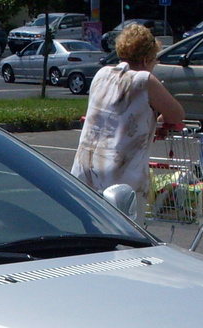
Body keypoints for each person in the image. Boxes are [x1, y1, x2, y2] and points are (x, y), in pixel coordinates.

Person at [72, 24, 187, 199]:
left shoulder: (101, 74)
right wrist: (159, 119)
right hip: (121, 178)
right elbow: (177, 114)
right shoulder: (143, 80)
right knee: (126, 226)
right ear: (145, 59)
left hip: (84, 170)